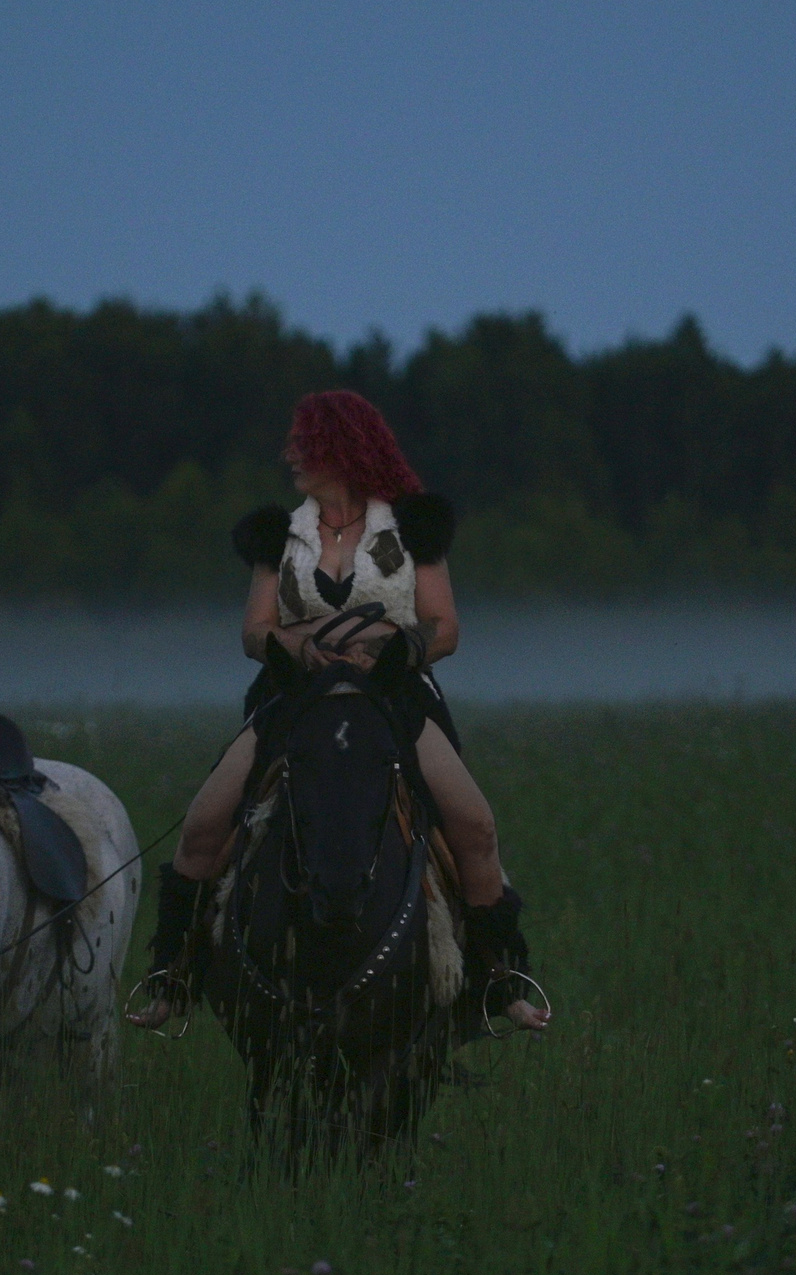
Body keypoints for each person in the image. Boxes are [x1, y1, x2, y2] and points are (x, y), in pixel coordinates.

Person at [127, 390, 550, 1033]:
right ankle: (173, 977)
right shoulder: (278, 535)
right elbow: (253, 632)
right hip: (293, 699)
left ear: (341, 450)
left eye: (303, 443)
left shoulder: (415, 528)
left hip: (394, 697)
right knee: (202, 826)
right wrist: (297, 645)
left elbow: (445, 627)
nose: (289, 454)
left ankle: (500, 978)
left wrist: (396, 646)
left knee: (475, 827)